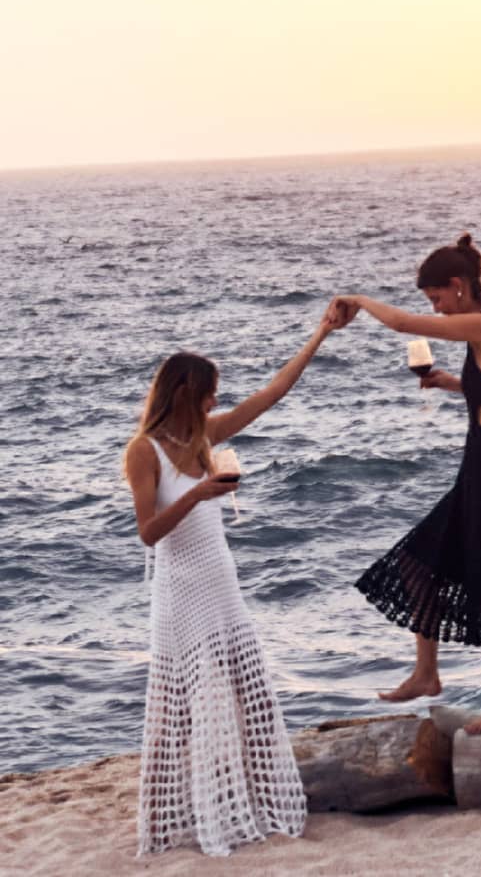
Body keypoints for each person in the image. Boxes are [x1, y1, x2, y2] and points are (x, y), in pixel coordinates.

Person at [123, 313, 343, 858]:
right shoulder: (143, 451)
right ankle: (170, 817)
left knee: (249, 694)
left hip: (222, 583)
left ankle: (251, 798)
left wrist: (319, 334)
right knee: (180, 705)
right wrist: (197, 495)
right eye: (207, 396)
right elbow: (149, 534)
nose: (212, 405)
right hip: (180, 592)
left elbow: (272, 393)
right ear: (182, 393)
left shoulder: (205, 437)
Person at [338, 234, 481, 733]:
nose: (437, 311)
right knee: (420, 563)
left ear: (459, 286)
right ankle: (427, 673)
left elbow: (402, 324)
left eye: (437, 299)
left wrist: (358, 300)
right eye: (432, 303)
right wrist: (455, 384)